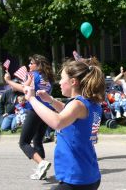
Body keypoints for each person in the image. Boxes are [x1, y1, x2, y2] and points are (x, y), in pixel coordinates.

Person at [24, 57, 104, 190]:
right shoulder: (90, 103)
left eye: (62, 78)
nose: (59, 82)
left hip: (76, 178)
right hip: (88, 175)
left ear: (73, 82)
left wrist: (32, 99)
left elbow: (58, 122)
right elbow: (69, 114)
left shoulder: (77, 104)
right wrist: (50, 100)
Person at [4, 54, 55, 180]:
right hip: (46, 110)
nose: (29, 65)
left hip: (35, 110)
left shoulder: (33, 75)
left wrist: (8, 81)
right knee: (38, 140)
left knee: (23, 142)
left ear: (38, 65)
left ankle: (41, 163)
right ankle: (41, 169)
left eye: (31, 63)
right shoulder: (48, 77)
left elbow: (23, 88)